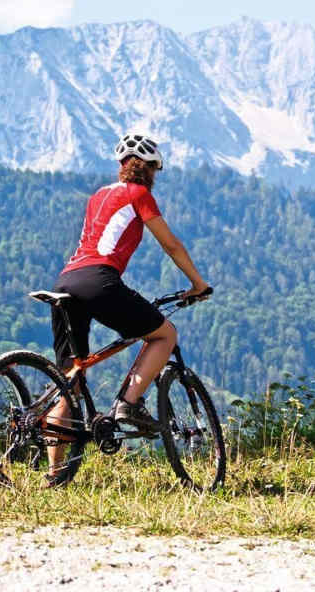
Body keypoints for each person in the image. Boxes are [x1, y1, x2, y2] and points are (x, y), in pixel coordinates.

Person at [46, 133, 210, 483]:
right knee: (164, 334)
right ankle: (129, 403)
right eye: (154, 169)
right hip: (97, 280)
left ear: (122, 165)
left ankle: (53, 475)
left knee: (70, 380)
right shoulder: (140, 194)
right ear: (149, 169)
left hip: (65, 282)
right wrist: (197, 283)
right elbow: (171, 244)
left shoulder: (98, 195)